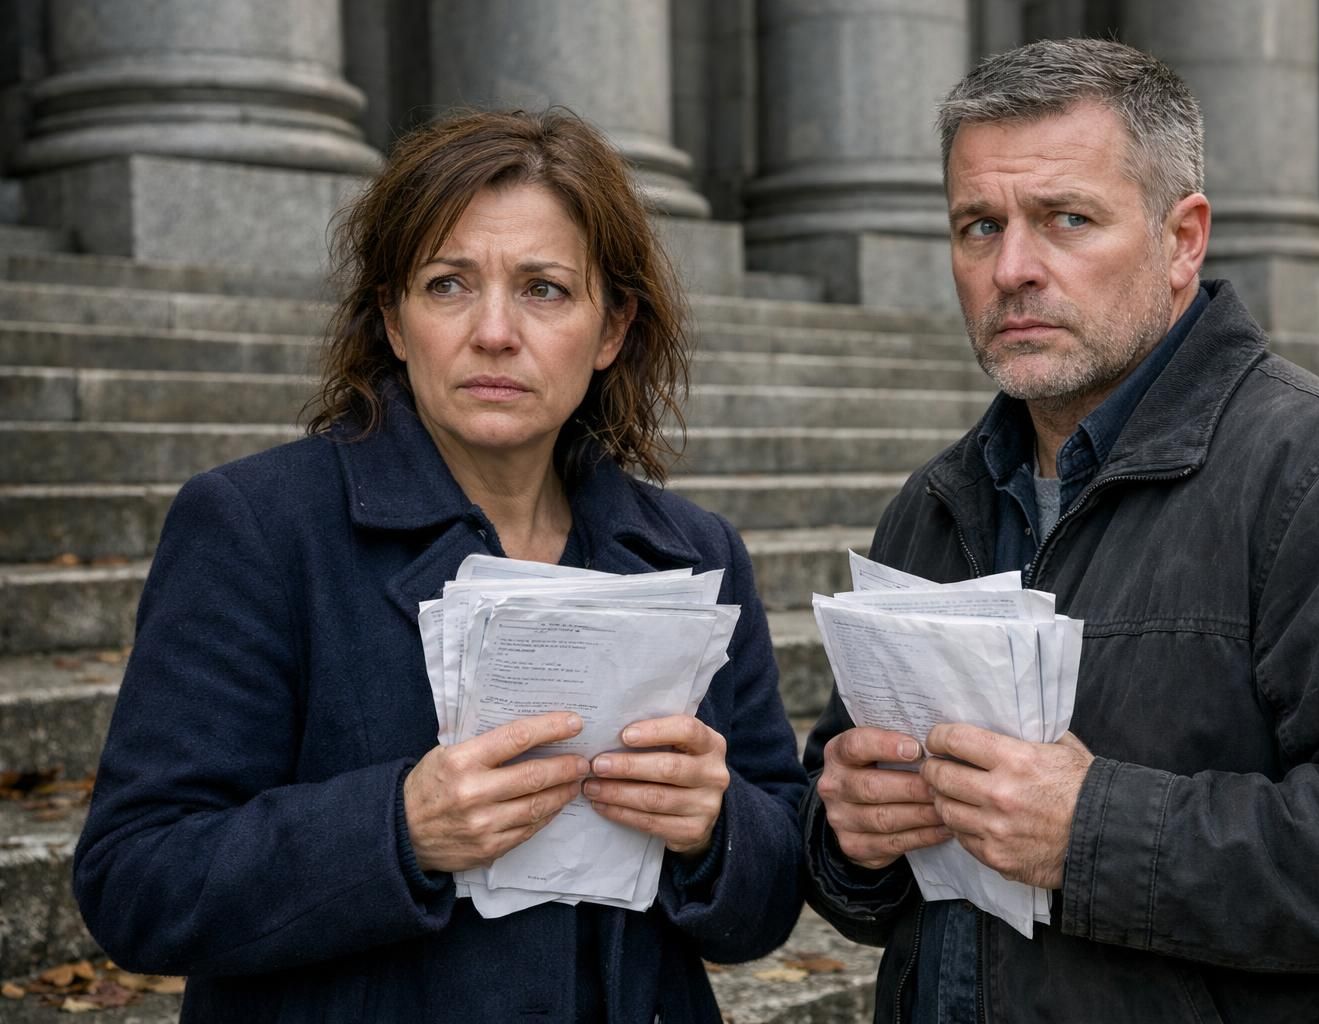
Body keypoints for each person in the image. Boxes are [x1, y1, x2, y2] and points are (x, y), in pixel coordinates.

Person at [802, 37, 1319, 1022]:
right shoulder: (936, 502)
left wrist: (1088, 829)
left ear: (1182, 238)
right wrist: (852, 830)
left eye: (1067, 219)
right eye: (978, 226)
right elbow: (868, 872)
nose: (1012, 268)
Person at [73, 108, 807, 1022]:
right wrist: (396, 830)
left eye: (544, 289)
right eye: (449, 284)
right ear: (392, 318)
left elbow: (770, 899)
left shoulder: (694, 554)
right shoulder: (260, 527)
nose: (495, 331)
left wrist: (717, 827)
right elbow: (137, 881)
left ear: (611, 328)